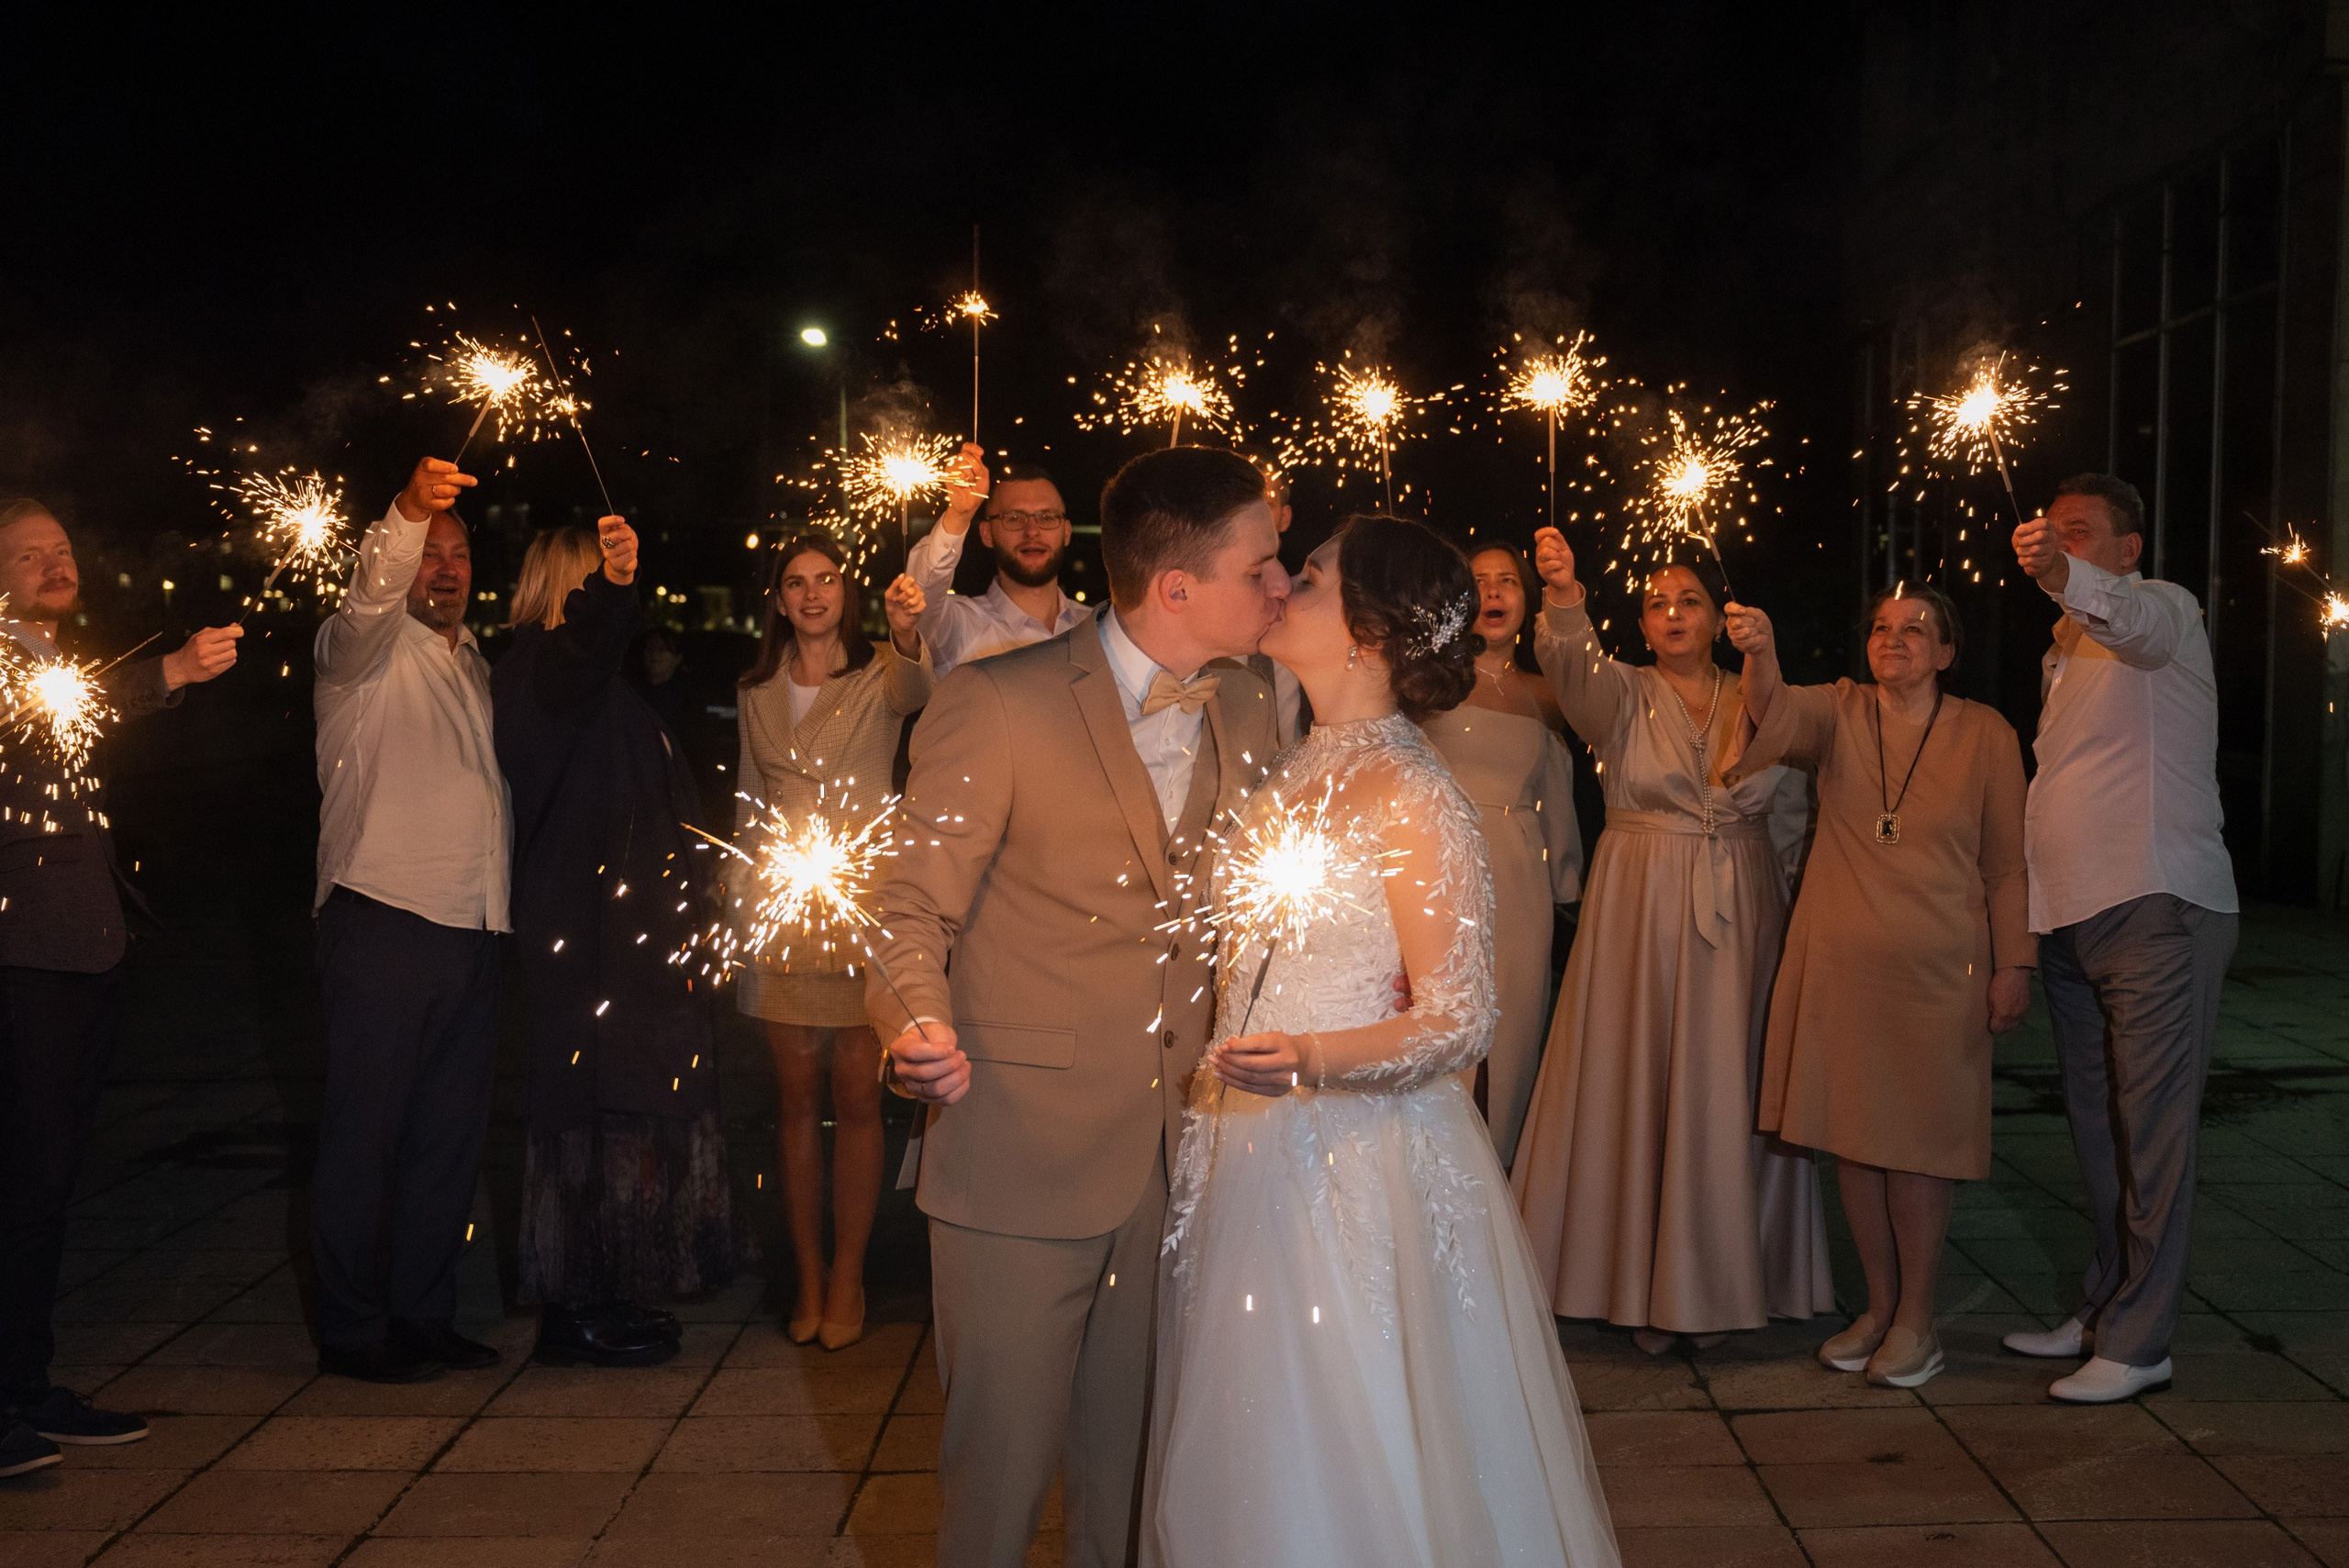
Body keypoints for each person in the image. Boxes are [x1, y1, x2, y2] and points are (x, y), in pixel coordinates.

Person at [1147, 516, 1620, 1568]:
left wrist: (1308, 1059)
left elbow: (1459, 1017)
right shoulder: (1293, 764)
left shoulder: (1411, 792)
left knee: (1342, 1419)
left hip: (1351, 1166)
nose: (1278, 585)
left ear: (1364, 629)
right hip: (1250, 1147)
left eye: (1304, 575)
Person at [867, 446, 1283, 1567]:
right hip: (1017, 1150)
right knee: (996, 1484)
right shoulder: (992, 702)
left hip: (1183, 1154)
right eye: (1263, 564)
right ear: (1178, 585)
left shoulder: (1248, 708)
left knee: (1141, 1481)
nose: (1279, 586)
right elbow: (906, 907)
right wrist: (914, 1022)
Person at [1510, 529, 1832, 1356]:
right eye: (1657, 603)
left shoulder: (1761, 694)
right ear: (1643, 625)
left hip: (1746, 904)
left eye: (1690, 599)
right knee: (1640, 1077)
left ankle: (1729, 1279)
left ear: (1722, 617)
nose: (1673, 613)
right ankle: (1636, 1283)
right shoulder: (1619, 693)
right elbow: (1571, 669)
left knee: (1731, 1082)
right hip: (1640, 906)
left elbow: (1791, 808)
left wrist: (1792, 912)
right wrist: (1563, 594)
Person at [1729, 584, 2033, 1388]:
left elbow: (2007, 863)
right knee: (1854, 1141)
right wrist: (1760, 650)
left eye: (1915, 630)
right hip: (1840, 965)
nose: (1894, 640)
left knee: (1920, 1148)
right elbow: (1773, 710)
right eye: (1881, 628)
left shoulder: (1988, 735)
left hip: (1940, 973)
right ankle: (1879, 1307)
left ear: (1946, 652)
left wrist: (2015, 963)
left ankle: (1918, 1318)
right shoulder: (1840, 710)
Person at [0, 497, 239, 1472]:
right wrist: (172, 670)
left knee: (47, 1182)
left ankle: (24, 1383)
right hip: (23, 960)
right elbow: (63, 712)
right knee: (18, 1181)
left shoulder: (46, 654)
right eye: (26, 554)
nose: (54, 563)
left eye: (61, 548)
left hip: (81, 950)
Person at [2000, 474, 2239, 1404]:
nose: (2056, 542)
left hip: (2155, 907)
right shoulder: (2066, 640)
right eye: (2050, 532)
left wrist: (2065, 572)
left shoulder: (2162, 610)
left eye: (2080, 532)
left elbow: (2126, 623)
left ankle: (2142, 1340)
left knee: (2154, 1132)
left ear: (2127, 547)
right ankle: (2104, 1305)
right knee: (2099, 1126)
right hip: (2071, 913)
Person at [495, 517, 734, 1368]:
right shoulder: (545, 671)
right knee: (584, 1118)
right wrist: (620, 588)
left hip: (631, 943)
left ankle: (612, 1283)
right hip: (582, 941)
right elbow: (585, 644)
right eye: (592, 578)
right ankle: (572, 1304)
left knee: (627, 1117)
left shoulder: (598, 685)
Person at [309, 457, 511, 1385]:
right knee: (365, 1135)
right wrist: (405, 510)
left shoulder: (471, 658)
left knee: (445, 1138)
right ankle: (352, 1328)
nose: (444, 565)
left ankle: (424, 1312)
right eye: (428, 554)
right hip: (383, 916)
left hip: (472, 926)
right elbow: (367, 598)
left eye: (458, 552)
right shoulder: (357, 653)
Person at [733, 532, 930, 1350]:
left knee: (857, 1099)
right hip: (783, 913)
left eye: (826, 580)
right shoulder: (756, 690)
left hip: (861, 909)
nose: (813, 594)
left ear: (845, 592)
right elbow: (748, 802)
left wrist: (909, 629)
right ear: (778, 601)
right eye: (796, 583)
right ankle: (807, 1273)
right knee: (793, 1102)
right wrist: (742, 900)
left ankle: (848, 1273)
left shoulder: (883, 671)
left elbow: (921, 688)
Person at [1419, 542, 1583, 1166]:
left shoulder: (1548, 695)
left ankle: (1500, 1181)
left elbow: (1557, 796)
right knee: (1444, 1035)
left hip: (1519, 885)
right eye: (1479, 581)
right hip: (1438, 873)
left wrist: (1566, 881)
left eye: (1507, 581)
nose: (1494, 593)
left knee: (1510, 1040)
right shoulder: (1427, 681)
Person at [906, 442, 1092, 676]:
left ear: (1066, 531)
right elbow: (920, 597)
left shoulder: (1095, 628)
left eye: (1047, 517)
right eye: (1014, 518)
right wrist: (959, 514)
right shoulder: (959, 630)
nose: (1032, 531)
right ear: (987, 534)